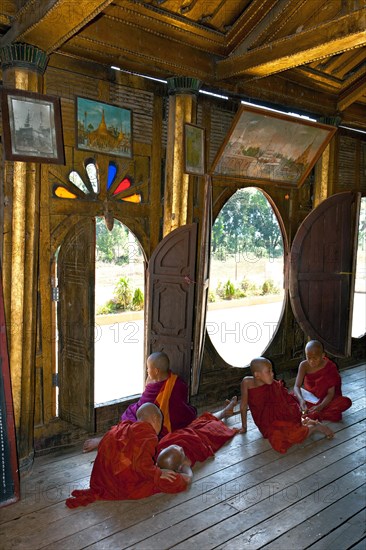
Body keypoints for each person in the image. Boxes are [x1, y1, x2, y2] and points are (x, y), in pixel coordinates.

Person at [66, 403, 191, 509]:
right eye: (160, 423)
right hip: (123, 486)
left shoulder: (121, 428)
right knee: (171, 481)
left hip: (102, 482)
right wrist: (158, 473)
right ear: (155, 419)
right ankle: (187, 473)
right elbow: (141, 465)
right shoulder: (147, 435)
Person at [83, 351, 197, 452]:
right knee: (130, 420)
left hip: (154, 422)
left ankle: (104, 440)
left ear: (156, 371)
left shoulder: (174, 386)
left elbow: (175, 411)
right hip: (144, 411)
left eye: (148, 368)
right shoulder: (172, 381)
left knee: (130, 431)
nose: (147, 370)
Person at [239, 357, 334, 454]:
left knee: (281, 441)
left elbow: (286, 402)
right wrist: (244, 427)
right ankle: (305, 423)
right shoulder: (246, 383)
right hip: (264, 423)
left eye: (272, 370)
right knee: (278, 438)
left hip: (277, 419)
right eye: (269, 372)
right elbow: (243, 406)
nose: (273, 374)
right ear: (257, 375)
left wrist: (296, 414)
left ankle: (314, 427)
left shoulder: (273, 385)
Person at [156, 396, 239, 470]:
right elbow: (188, 477)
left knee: (201, 421)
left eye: (175, 447)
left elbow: (173, 436)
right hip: (200, 439)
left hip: (187, 432)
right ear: (180, 465)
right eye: (181, 451)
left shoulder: (161, 448)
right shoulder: (185, 464)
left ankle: (224, 412)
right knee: (213, 428)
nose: (180, 448)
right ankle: (225, 412)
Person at [293, 340, 352, 422]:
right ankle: (315, 413)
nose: (311, 361)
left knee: (346, 402)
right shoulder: (304, 365)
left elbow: (331, 394)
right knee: (291, 396)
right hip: (310, 399)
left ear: (322, 355)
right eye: (308, 357)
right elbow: (296, 386)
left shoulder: (330, 367)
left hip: (326, 400)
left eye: (315, 358)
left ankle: (314, 414)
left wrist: (320, 406)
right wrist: (301, 401)